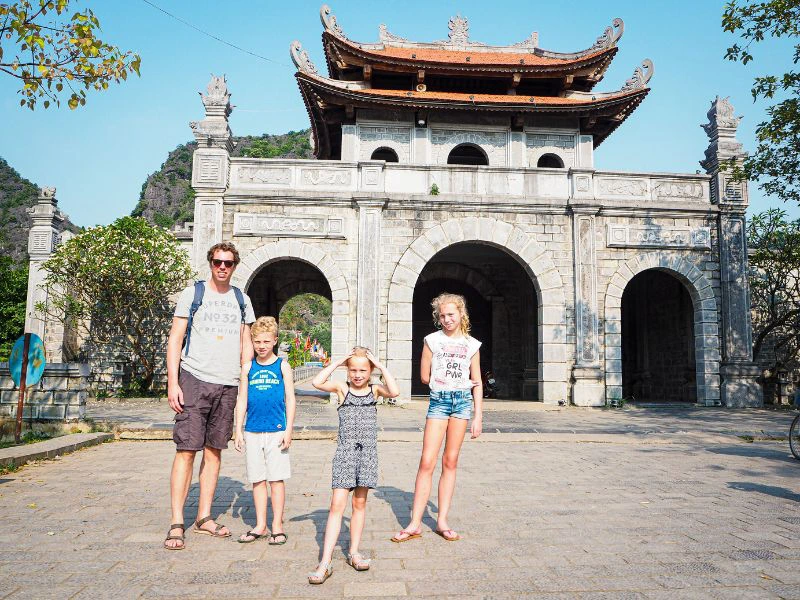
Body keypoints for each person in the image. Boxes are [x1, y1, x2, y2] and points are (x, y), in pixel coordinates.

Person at [163, 242, 256, 550]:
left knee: (215, 450)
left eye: (228, 263)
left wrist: (246, 381)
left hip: (228, 384)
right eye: (217, 261)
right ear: (210, 262)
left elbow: (247, 344)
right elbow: (176, 338)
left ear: (235, 266)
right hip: (194, 378)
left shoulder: (242, 300)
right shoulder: (193, 294)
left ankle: (204, 517)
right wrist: (172, 382)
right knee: (187, 450)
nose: (222, 267)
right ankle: (178, 521)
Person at [392, 293, 482, 544]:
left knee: (450, 461)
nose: (446, 319)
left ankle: (442, 520)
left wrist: (478, 416)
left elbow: (477, 382)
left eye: (451, 314)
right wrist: (442, 381)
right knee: (427, 461)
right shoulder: (432, 341)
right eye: (442, 315)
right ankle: (414, 523)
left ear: (461, 314)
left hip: (462, 404)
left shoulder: (472, 345)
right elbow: (424, 376)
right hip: (440, 402)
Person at [307, 347, 399, 584]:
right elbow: (317, 382)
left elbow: (395, 391)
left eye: (363, 370)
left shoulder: (375, 390)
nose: (358, 374)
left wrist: (380, 365)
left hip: (367, 455)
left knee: (359, 504)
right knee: (337, 505)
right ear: (347, 371)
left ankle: (354, 552)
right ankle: (325, 561)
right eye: (353, 369)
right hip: (345, 455)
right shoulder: (342, 389)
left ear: (369, 372)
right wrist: (338, 361)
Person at [233, 316, 296, 545]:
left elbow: (290, 399)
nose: (262, 346)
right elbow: (242, 399)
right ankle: (260, 524)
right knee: (257, 479)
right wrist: (238, 429)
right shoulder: (248, 368)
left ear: (275, 341)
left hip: (277, 430)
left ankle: (277, 525)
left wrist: (289, 429)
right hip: (253, 429)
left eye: (266, 342)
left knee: (276, 479)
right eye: (257, 341)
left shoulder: (283, 366)